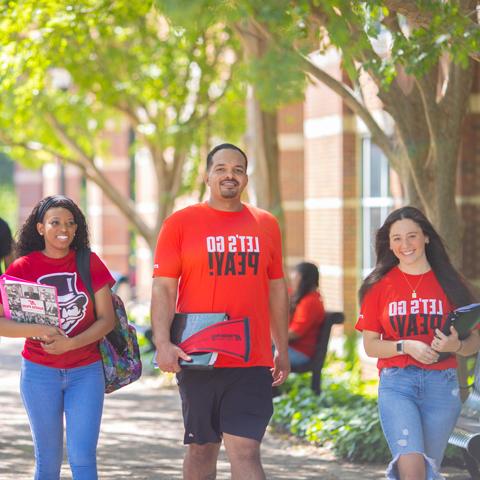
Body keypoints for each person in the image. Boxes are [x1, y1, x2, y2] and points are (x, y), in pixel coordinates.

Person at [151, 143, 290, 480]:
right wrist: (162, 343)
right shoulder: (180, 223)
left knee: (246, 450)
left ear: (245, 177)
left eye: (238, 169)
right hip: (198, 356)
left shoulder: (266, 224)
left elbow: (276, 290)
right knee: (201, 450)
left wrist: (281, 348)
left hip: (251, 358)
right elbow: (164, 288)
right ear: (207, 175)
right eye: (221, 168)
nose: (230, 175)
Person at [356, 206, 480, 480]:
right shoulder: (377, 286)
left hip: (442, 387)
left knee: (427, 471)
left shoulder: (451, 284)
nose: (405, 245)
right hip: (397, 385)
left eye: (411, 236)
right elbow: (371, 345)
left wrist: (455, 346)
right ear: (389, 243)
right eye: (396, 238)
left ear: (426, 237)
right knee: (411, 469)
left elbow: (474, 343)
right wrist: (405, 345)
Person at [0, 195, 116, 480]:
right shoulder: (23, 268)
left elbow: (107, 320)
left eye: (70, 223)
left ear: (77, 229)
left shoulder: (89, 262)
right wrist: (39, 330)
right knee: (47, 461)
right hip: (39, 374)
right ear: (40, 227)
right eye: (55, 222)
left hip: (86, 372)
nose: (63, 228)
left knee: (82, 458)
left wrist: (71, 343)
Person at [288, 262, 325, 368]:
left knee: (263, 355)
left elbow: (294, 333)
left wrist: (269, 339)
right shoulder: (306, 298)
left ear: (303, 280)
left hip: (300, 353)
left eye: (295, 280)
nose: (292, 284)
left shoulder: (310, 302)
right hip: (293, 349)